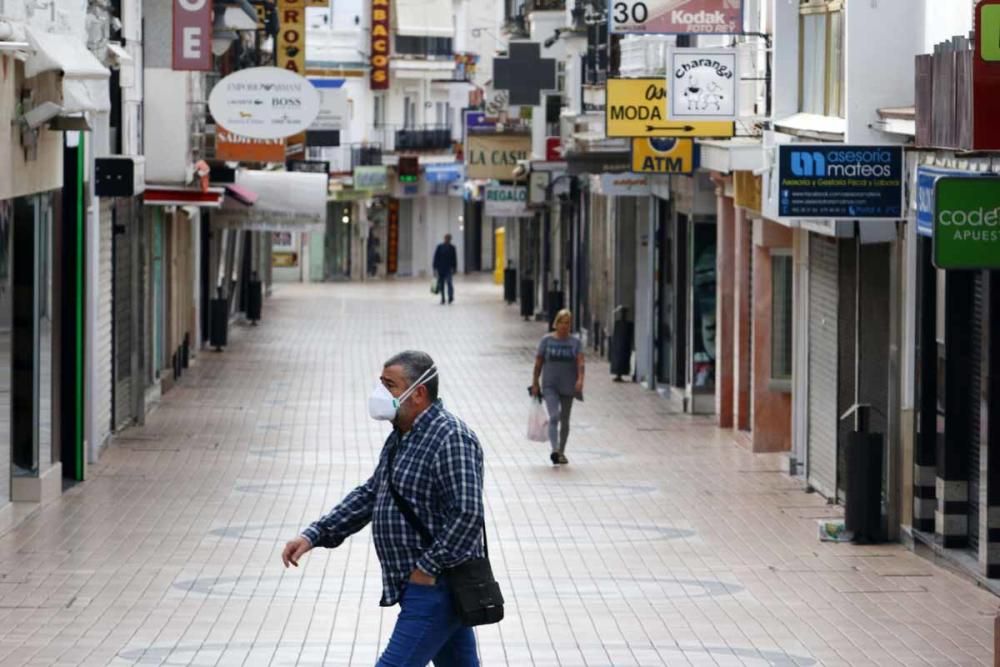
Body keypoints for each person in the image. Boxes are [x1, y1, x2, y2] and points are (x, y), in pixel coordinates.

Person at [282, 351, 484, 666]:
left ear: (418, 393)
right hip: (423, 585)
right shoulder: (403, 437)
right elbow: (372, 493)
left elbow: (468, 515)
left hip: (438, 586)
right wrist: (314, 535)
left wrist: (427, 569)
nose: (380, 393)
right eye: (381, 383)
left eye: (390, 385)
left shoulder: (450, 438)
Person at [531, 309, 585, 465]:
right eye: (562, 322)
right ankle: (554, 449)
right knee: (554, 415)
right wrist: (535, 382)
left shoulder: (575, 343)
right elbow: (538, 363)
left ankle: (562, 450)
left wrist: (580, 380)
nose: (564, 326)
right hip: (550, 385)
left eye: (567, 323)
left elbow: (581, 363)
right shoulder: (546, 341)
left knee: (565, 419)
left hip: (568, 385)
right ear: (556, 323)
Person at [432, 234, 458, 304]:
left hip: (448, 269)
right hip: (441, 269)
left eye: (449, 239)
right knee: (441, 284)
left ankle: (450, 297)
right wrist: (434, 268)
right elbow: (436, 258)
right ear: (444, 239)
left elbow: (454, 259)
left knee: (449, 283)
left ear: (450, 239)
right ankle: (443, 298)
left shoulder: (452, 248)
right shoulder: (439, 247)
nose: (447, 240)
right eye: (446, 238)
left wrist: (455, 268)